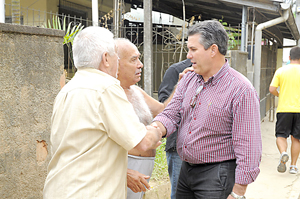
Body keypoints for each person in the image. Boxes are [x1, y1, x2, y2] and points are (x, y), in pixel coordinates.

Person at [43, 27, 162, 199]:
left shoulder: (67, 90)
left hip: (58, 190)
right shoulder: (106, 87)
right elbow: (141, 143)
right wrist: (156, 129)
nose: (117, 61)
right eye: (116, 56)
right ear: (106, 58)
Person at [152, 20, 262, 199]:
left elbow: (249, 146)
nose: (189, 55)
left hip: (217, 175)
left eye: (193, 49)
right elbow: (171, 113)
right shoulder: (189, 79)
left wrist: (238, 192)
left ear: (213, 50)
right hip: (186, 171)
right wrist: (155, 128)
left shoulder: (241, 89)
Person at [115, 38, 183, 199]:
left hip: (143, 169)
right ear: (115, 63)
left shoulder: (136, 91)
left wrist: (179, 86)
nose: (140, 64)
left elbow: (163, 111)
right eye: (133, 60)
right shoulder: (110, 94)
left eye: (139, 58)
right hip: (125, 169)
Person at [158, 59, 192, 199]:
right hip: (178, 148)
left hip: (204, 149)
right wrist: (181, 86)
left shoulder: (215, 73)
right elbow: (162, 107)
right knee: (179, 193)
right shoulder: (176, 70)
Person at [269, 46, 300, 175]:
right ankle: (293, 166)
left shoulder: (281, 71)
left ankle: (283, 153)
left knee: (281, 135)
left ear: (289, 58)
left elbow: (272, 89)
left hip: (284, 109)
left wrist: (279, 94)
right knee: (296, 139)